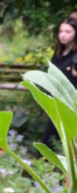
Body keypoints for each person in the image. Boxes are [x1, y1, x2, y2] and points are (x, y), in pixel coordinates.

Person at [40, 16, 77, 149]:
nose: (63, 35)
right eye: (61, 31)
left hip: (72, 104)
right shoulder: (58, 53)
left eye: (68, 32)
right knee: (52, 138)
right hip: (57, 102)